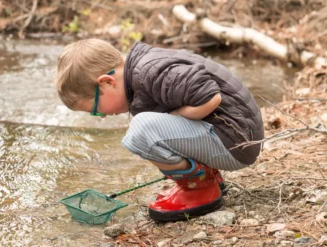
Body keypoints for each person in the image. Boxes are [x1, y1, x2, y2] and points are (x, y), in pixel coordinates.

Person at [54, 39, 264, 222]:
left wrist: (170, 119)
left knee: (140, 131)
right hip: (236, 136)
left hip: (236, 144)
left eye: (96, 110)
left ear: (107, 82)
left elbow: (211, 97)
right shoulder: (143, 70)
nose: (102, 117)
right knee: (147, 124)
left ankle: (199, 188)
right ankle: (206, 176)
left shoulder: (149, 73)